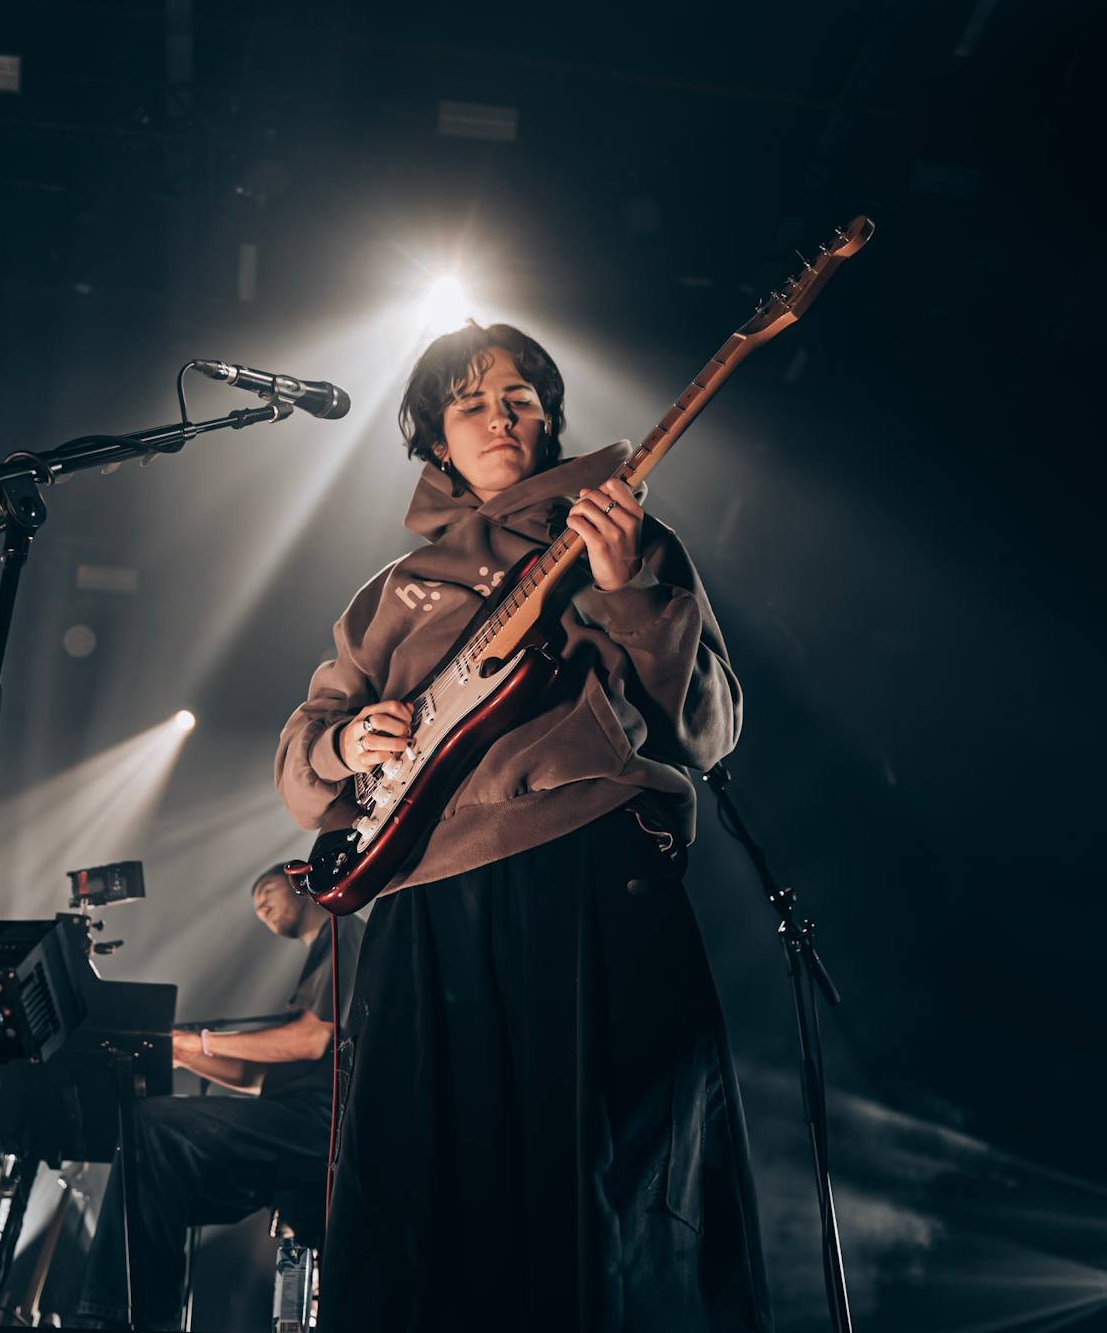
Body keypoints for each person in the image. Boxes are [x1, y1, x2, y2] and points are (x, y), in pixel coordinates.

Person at [275, 322, 772, 1332]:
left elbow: (709, 729)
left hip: (584, 872)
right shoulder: (385, 594)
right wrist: (343, 744)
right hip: (425, 907)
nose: (498, 416)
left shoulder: (618, 532)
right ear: (432, 442)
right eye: (470, 403)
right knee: (416, 1205)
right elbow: (305, 761)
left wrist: (628, 586)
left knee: (599, 1191)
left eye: (520, 398)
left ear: (549, 422)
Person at [72, 865, 363, 1331]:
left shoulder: (341, 928)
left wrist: (196, 1043)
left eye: (267, 892)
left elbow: (308, 1041)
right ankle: (138, 1315)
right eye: (254, 906)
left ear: (298, 883)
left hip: (320, 1125)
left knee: (154, 1125)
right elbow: (254, 1075)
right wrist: (184, 1058)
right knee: (156, 1166)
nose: (262, 908)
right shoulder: (321, 958)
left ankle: (120, 1317)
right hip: (291, 1119)